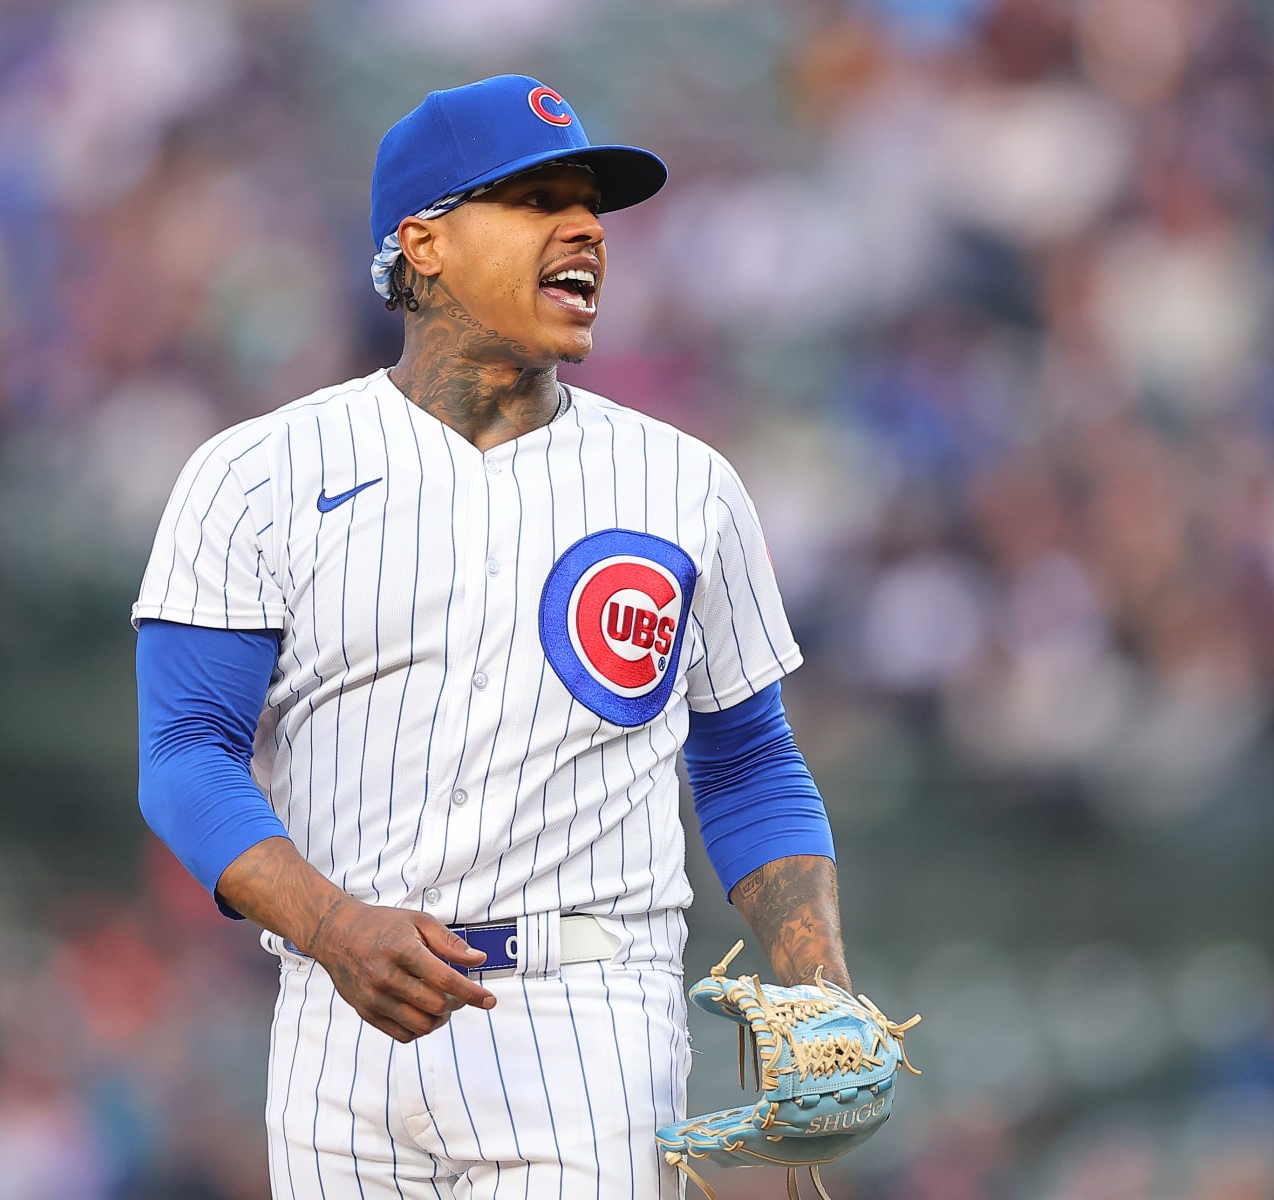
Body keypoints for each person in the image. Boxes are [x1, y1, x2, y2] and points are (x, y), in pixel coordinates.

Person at [133, 74, 848, 1199]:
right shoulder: (255, 473)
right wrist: (328, 926)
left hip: (583, 1013)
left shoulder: (684, 485)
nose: (584, 230)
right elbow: (184, 753)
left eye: (592, 206)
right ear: (421, 244)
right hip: (341, 1011)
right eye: (535, 199)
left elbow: (750, 762)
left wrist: (819, 989)